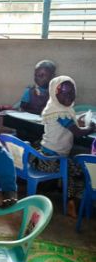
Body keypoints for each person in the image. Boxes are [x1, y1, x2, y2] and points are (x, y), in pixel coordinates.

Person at [32, 76, 95, 216]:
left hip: (46, 155)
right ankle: (72, 202)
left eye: (72, 92)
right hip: (51, 160)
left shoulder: (55, 108)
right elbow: (77, 132)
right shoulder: (61, 113)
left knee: (72, 167)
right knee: (79, 172)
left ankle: (66, 196)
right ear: (54, 93)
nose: (69, 96)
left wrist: (79, 121)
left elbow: (70, 125)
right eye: (64, 92)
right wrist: (91, 128)